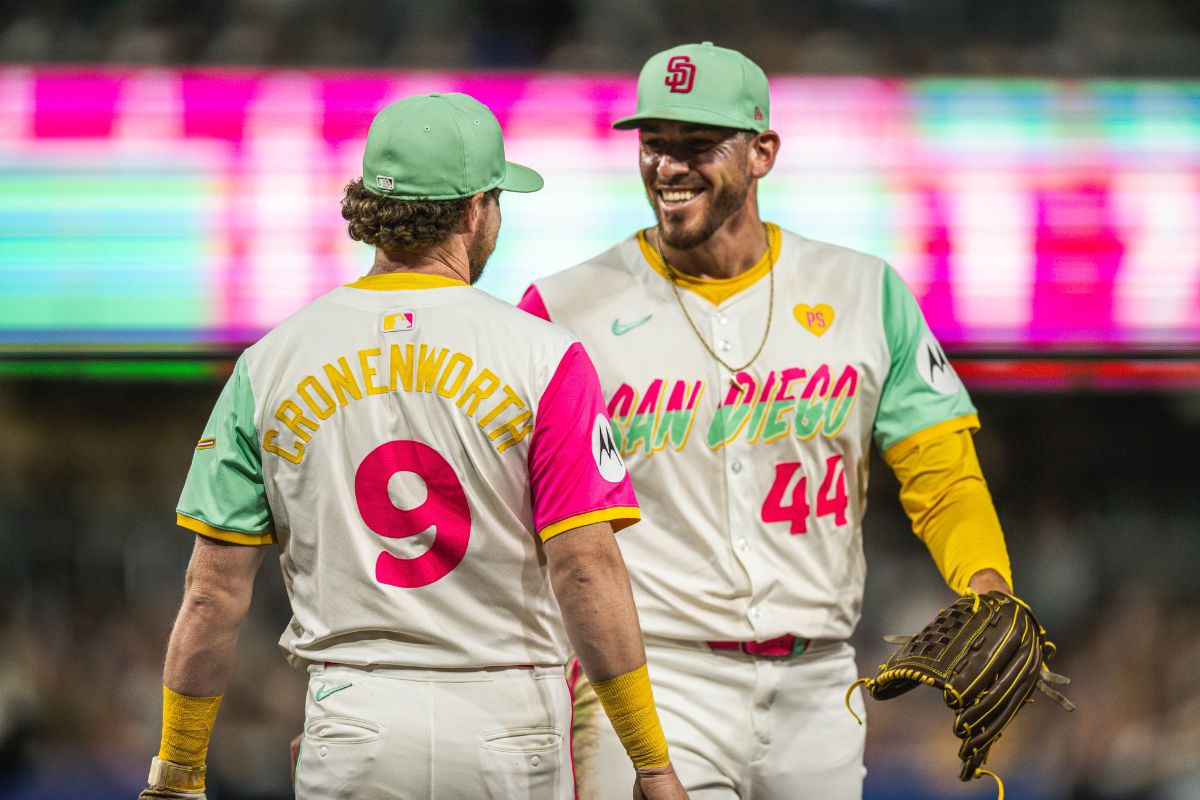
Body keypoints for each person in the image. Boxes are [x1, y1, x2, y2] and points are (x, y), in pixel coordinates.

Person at [139, 92, 689, 800]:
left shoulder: (270, 362)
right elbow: (584, 568)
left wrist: (179, 767)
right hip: (508, 718)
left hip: (355, 719)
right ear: (471, 210)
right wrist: (651, 760)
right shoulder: (545, 356)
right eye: (495, 200)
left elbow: (212, 593)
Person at [518, 42, 1019, 799]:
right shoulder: (563, 309)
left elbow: (940, 474)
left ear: (761, 153)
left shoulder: (863, 292)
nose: (668, 167)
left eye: (698, 146)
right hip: (656, 677)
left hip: (820, 684)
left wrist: (987, 586)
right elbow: (518, 517)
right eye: (654, 144)